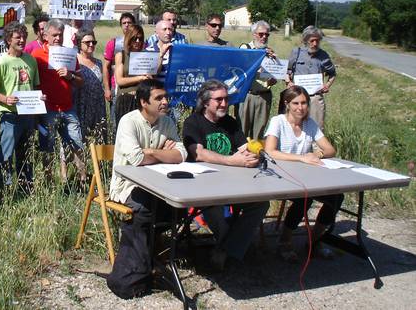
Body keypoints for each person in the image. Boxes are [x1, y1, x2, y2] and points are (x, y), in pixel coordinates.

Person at [107, 79, 186, 299]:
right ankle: (140, 263)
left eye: (165, 97)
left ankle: (151, 251)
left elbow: (182, 155)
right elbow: (136, 158)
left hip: (160, 184)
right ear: (143, 102)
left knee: (180, 204)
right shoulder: (128, 121)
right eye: (158, 98)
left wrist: (152, 151)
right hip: (127, 186)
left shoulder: (167, 122)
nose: (165, 102)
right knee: (142, 209)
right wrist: (161, 154)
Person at [183, 79, 269, 270]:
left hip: (233, 183)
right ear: (206, 102)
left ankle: (224, 249)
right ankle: (232, 247)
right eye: (219, 100)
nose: (224, 103)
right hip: (204, 186)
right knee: (218, 215)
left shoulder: (230, 122)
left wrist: (251, 155)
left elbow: (243, 147)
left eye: (226, 99)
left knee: (261, 203)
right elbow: (198, 153)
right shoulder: (193, 122)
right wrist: (231, 160)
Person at [264, 85, 344, 261]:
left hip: (306, 175)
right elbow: (270, 151)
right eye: (296, 103)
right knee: (304, 198)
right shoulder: (278, 121)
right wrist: (301, 158)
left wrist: (316, 154)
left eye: (304, 103)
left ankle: (314, 241)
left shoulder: (310, 123)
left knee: (337, 197)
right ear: (287, 104)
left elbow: (330, 149)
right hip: (281, 174)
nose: (301, 107)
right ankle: (284, 241)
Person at [0, 21, 40, 193]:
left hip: (28, 116)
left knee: (26, 155)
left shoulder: (30, 60)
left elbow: (36, 86)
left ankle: (26, 188)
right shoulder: (1, 62)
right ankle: (3, 190)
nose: (22, 40)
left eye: (24, 37)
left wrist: (40, 98)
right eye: (18, 37)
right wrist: (4, 98)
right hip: (9, 116)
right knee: (6, 154)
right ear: (9, 40)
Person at [32, 18, 87, 183]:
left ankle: (82, 181)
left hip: (68, 108)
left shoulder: (69, 54)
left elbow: (80, 81)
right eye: (54, 35)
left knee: (77, 145)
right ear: (46, 35)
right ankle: (48, 182)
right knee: (47, 148)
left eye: (60, 35)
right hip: (48, 109)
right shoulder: (37, 55)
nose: (57, 38)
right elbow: (31, 82)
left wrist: (70, 76)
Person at [287, 26, 336, 129]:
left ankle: (315, 146)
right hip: (297, 98)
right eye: (312, 40)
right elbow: (287, 71)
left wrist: (327, 85)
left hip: (315, 98)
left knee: (317, 130)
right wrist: (288, 82)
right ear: (305, 40)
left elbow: (332, 74)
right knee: (295, 128)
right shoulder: (296, 52)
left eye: (317, 41)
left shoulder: (324, 55)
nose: (315, 44)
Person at [236, 20, 278, 140]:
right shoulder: (245, 48)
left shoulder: (269, 52)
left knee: (258, 133)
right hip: (247, 95)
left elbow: (274, 74)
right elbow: (241, 70)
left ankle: (257, 156)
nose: (264, 37)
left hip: (264, 96)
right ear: (254, 34)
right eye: (261, 34)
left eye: (267, 34)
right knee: (242, 131)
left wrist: (273, 79)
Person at [114, 25, 155, 127]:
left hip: (142, 100)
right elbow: (119, 80)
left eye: (140, 38)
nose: (137, 41)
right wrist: (140, 78)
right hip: (125, 99)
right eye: (134, 38)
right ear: (128, 38)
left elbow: (153, 77)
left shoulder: (146, 56)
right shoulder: (121, 55)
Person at [102, 13, 136, 137]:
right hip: (117, 89)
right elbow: (106, 67)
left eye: (129, 23)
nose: (127, 25)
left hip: (136, 91)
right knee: (116, 123)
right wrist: (106, 88)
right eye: (124, 23)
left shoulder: (142, 42)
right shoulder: (114, 43)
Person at [74, 28, 107, 143]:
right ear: (79, 43)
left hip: (97, 105)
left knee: (98, 138)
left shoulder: (98, 62)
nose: (91, 44)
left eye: (93, 42)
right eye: (87, 42)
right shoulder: (74, 60)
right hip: (80, 105)